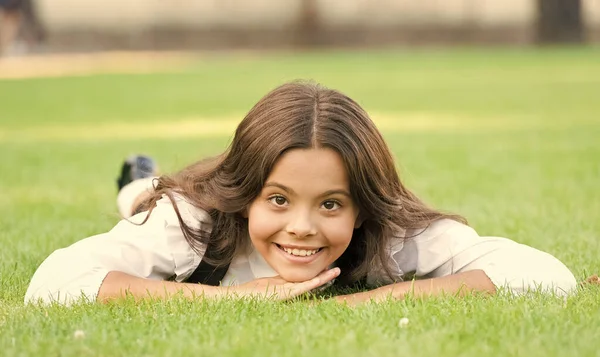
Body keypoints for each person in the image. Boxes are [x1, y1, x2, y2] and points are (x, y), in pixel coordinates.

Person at [24, 81, 577, 306]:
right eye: (279, 200)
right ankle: (136, 178)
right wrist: (234, 299)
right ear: (246, 196)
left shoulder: (392, 232)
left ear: (363, 206)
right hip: (178, 196)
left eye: (331, 203)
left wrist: (370, 301)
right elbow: (52, 283)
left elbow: (547, 276)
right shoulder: (192, 219)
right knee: (149, 196)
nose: (303, 227)